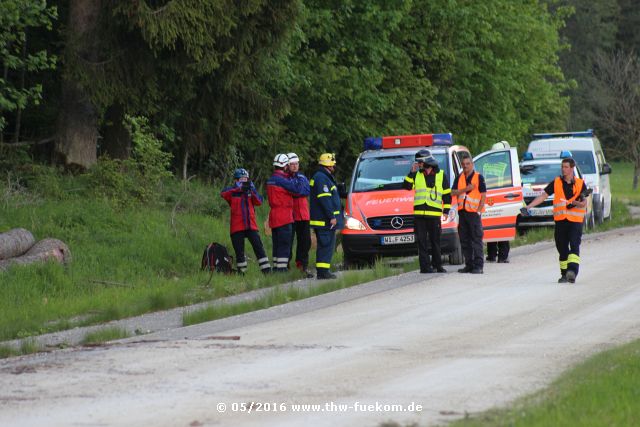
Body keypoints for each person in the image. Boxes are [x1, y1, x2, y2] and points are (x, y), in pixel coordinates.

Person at [523, 157, 589, 283]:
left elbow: (584, 201)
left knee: (574, 246)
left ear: (572, 168)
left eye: (566, 167)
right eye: (562, 167)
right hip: (561, 221)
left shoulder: (580, 183)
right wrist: (529, 206)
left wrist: (579, 203)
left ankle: (572, 271)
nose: (563, 169)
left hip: (575, 221)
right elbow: (543, 196)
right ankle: (564, 274)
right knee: (562, 248)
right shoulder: (557, 182)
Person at [403, 149, 451, 273]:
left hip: (434, 215)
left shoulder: (441, 174)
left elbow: (446, 194)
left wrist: (446, 210)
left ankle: (437, 265)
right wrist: (411, 173)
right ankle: (425, 267)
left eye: (419, 162)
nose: (418, 164)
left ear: (426, 162)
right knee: (422, 243)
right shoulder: (416, 174)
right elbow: (407, 187)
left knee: (435, 242)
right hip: (419, 215)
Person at [220, 168, 271, 274]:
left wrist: (252, 191)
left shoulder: (250, 191)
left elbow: (259, 201)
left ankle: (267, 272)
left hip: (251, 226)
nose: (244, 181)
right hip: (237, 226)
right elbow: (223, 193)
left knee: (259, 249)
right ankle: (242, 274)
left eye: (246, 179)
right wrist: (238, 188)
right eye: (241, 179)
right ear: (236, 180)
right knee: (240, 253)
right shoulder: (232, 192)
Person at [266, 154, 308, 272]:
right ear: (285, 166)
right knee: (285, 244)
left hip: (274, 215)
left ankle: (276, 267)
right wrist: (299, 178)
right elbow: (298, 189)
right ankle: (282, 269)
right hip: (284, 215)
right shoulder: (283, 180)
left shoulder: (271, 180)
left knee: (277, 244)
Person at [310, 153, 343, 279]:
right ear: (328, 165)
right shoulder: (322, 178)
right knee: (326, 245)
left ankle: (323, 271)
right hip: (325, 220)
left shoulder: (323, 176)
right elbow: (325, 199)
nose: (334, 167)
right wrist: (331, 217)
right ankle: (323, 272)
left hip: (324, 220)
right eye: (332, 165)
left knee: (326, 245)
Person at [451, 154, 487, 274]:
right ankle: (469, 265)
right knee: (465, 240)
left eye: (468, 164)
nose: (465, 166)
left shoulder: (478, 177)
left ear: (472, 164)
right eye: (464, 164)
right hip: (462, 213)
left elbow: (483, 195)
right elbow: (452, 192)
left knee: (476, 239)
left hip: (473, 213)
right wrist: (465, 189)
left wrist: (478, 210)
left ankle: (478, 266)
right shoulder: (459, 177)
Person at [286, 153, 313, 278]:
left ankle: (302, 265)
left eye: (296, 164)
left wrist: (297, 191)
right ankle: (285, 265)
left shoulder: (302, 177)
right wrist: (297, 191)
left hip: (304, 215)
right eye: (292, 164)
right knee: (288, 242)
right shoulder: (285, 178)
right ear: (287, 165)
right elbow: (294, 191)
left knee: (305, 242)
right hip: (291, 215)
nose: (295, 166)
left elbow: (306, 190)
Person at [485, 141, 511, 263]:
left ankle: (491, 255)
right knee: (503, 228)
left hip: (489, 199)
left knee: (491, 227)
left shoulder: (485, 165)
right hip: (502, 198)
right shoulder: (506, 167)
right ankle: (503, 256)